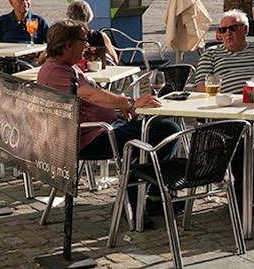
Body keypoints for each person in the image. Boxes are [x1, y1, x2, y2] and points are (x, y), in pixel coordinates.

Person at [35, 21, 178, 221]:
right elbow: (89, 95)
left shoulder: (66, 67)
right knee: (165, 132)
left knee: (161, 131)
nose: (86, 46)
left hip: (102, 129)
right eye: (82, 41)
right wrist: (129, 102)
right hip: (87, 137)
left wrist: (119, 106)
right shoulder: (55, 71)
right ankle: (135, 202)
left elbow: (93, 96)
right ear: (67, 45)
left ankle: (146, 198)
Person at [190, 9, 254, 202]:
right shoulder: (211, 54)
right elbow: (201, 87)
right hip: (225, 108)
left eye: (232, 28)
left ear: (245, 29)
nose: (227, 33)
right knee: (233, 131)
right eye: (223, 29)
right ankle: (247, 187)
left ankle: (250, 184)